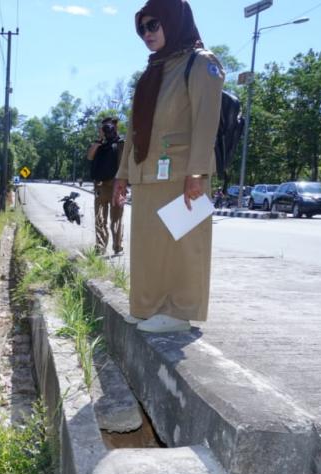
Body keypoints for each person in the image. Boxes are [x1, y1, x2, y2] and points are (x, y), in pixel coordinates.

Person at [112, 0, 224, 334]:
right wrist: (122, 173)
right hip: (146, 171)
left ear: (174, 22)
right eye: (142, 28)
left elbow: (207, 120)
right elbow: (134, 126)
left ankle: (179, 312)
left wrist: (198, 171)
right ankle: (147, 307)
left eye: (153, 25)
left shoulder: (200, 63)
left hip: (181, 172)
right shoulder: (153, 70)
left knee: (182, 243)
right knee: (148, 244)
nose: (146, 34)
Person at [87, 117, 126, 256]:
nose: (107, 130)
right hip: (100, 187)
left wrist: (123, 185)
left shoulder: (121, 144)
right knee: (100, 219)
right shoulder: (98, 145)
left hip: (116, 187)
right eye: (104, 128)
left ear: (116, 128)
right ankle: (100, 247)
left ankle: (118, 247)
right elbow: (90, 157)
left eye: (110, 127)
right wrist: (99, 140)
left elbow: (125, 165)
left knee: (116, 219)